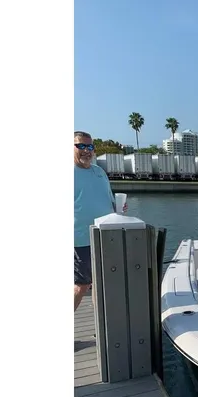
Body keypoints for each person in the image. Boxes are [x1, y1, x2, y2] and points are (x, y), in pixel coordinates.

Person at [74, 131, 127, 311]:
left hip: (105, 236)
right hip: (80, 239)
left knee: (100, 283)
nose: (86, 150)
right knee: (81, 286)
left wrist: (118, 208)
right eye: (81, 146)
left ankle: (101, 327)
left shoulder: (99, 172)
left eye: (89, 146)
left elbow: (109, 200)